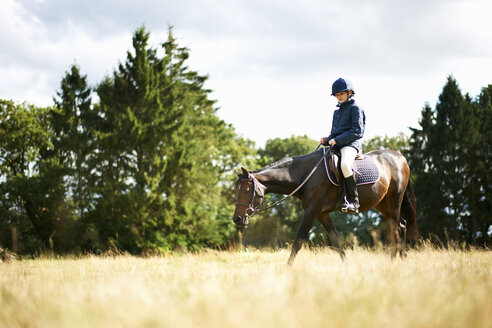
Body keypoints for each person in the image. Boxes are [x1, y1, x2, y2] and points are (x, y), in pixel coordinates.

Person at [320, 78, 366, 213]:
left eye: (341, 94)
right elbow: (334, 132)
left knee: (345, 165)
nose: (338, 97)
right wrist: (327, 139)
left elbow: (357, 131)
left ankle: (354, 202)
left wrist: (338, 140)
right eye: (337, 95)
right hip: (338, 144)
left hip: (351, 144)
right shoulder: (337, 112)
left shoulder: (356, 109)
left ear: (350, 92)